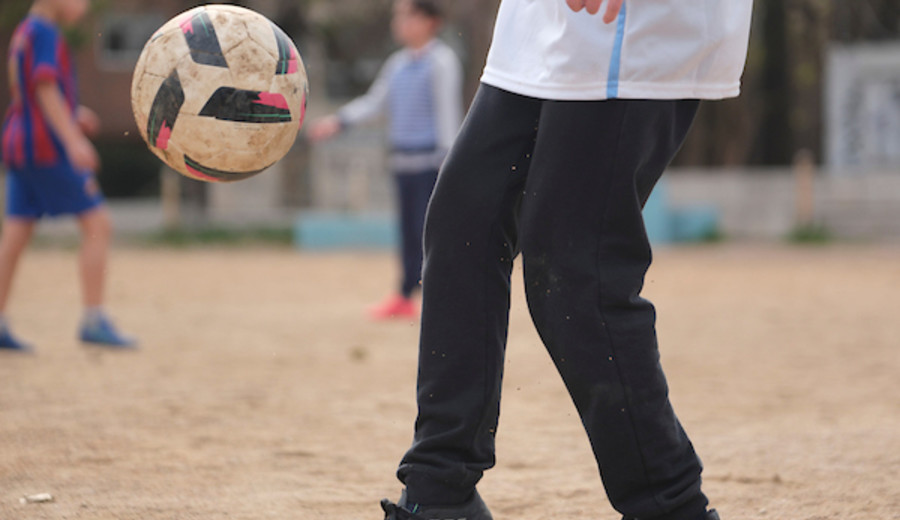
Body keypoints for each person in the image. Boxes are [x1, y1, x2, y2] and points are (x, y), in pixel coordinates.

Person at [378, 0, 753, 519]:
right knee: (463, 225)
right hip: (537, 30)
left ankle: (671, 507)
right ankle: (440, 491)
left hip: (635, 33)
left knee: (576, 269)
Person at [307, 0, 463, 320]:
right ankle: (405, 295)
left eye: (406, 15)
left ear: (429, 21)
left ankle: (439, 299)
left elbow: (448, 115)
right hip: (403, 162)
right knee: (408, 232)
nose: (399, 22)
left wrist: (448, 164)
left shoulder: (442, 62)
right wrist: (338, 121)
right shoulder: (398, 64)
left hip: (431, 164)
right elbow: (375, 102)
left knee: (431, 234)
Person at [0, 0, 136, 352]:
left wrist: (72, 112)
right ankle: (94, 320)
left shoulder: (25, 31)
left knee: (14, 236)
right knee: (98, 224)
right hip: (46, 148)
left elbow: (30, 94)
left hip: (18, 142)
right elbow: (44, 88)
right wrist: (73, 140)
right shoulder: (46, 32)